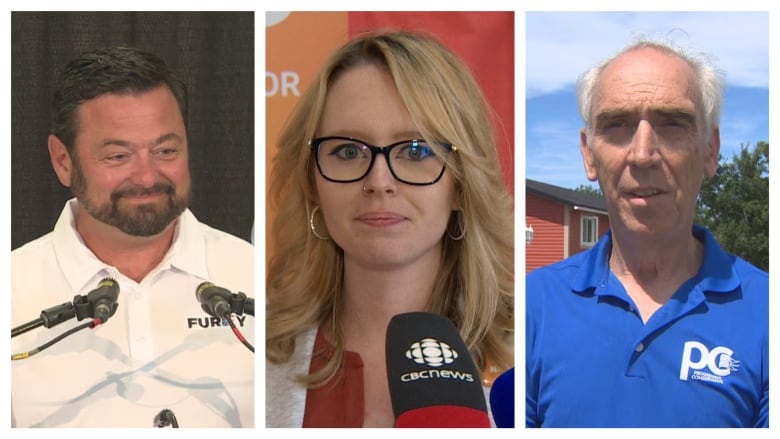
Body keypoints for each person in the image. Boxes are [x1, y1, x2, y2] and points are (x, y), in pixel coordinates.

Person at [265, 30, 514, 427]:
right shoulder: (251, 353)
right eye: (348, 151)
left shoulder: (532, 360)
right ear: (312, 182)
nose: (379, 181)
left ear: (461, 184)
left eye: (416, 150)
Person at [526, 39, 768, 427]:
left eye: (671, 123)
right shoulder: (533, 306)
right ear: (589, 154)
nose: (642, 154)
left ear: (710, 150)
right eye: (617, 125)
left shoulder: (767, 314)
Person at [10, 46, 254, 427]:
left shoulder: (256, 276)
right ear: (63, 160)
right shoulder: (12, 289)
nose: (146, 176)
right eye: (118, 156)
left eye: (165, 150)